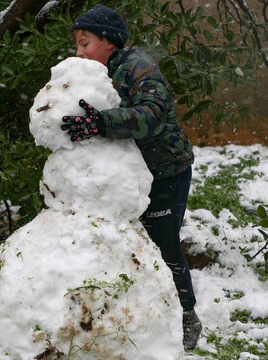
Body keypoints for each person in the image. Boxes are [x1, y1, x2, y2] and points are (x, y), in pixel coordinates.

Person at [60, 4, 202, 351]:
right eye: (77, 45)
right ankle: (137, 316)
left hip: (166, 171)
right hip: (128, 176)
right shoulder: (94, 72)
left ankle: (187, 317)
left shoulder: (139, 67)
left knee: (163, 246)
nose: (78, 52)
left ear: (109, 42)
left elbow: (150, 116)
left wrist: (102, 122)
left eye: (85, 43)